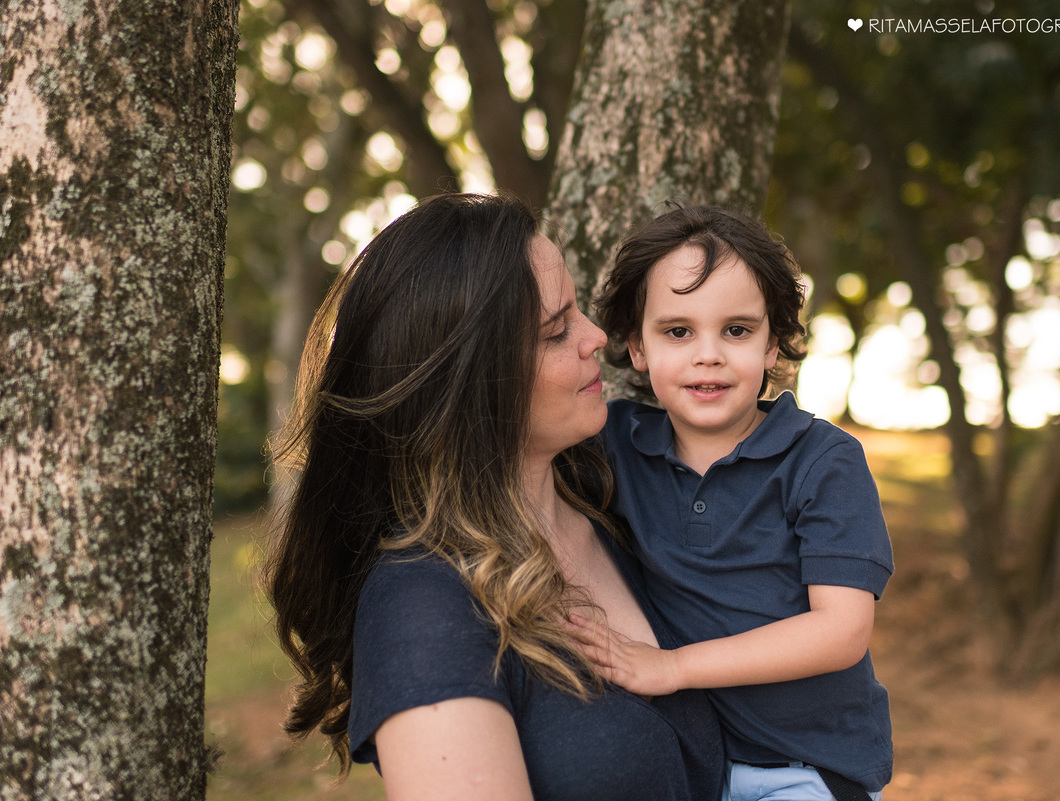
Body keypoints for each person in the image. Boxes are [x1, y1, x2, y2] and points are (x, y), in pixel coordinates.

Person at [264, 193, 723, 801]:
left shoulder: (620, 494)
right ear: (472, 385)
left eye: (577, 310)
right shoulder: (421, 607)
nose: (594, 338)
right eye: (555, 330)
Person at [572, 205, 894, 801]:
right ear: (636, 347)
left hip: (809, 769)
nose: (709, 354)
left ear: (774, 344)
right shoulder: (614, 445)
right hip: (693, 765)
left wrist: (674, 667)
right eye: (678, 332)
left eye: (737, 331)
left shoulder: (824, 462)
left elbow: (842, 630)